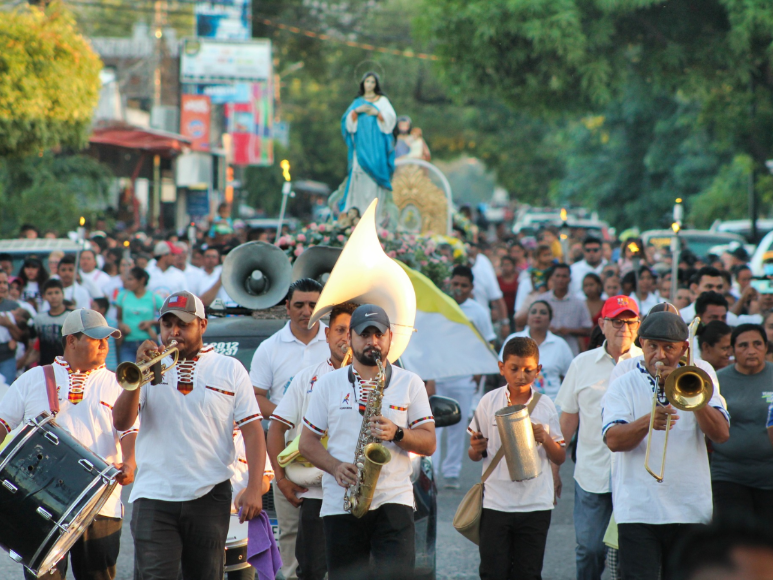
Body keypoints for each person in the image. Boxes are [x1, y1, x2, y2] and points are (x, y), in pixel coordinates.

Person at [112, 290, 266, 580]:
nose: (174, 332)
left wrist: (255, 486)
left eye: (184, 324)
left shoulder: (229, 368)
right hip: (154, 495)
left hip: (209, 495)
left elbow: (253, 431)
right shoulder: (150, 365)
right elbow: (121, 421)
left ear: (203, 326)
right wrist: (138, 375)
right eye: (167, 325)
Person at [299, 304, 436, 580]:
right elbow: (307, 443)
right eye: (364, 334)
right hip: (343, 502)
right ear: (350, 337)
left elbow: (429, 442)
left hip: (393, 500)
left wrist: (398, 433)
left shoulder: (410, 383)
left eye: (379, 334)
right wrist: (335, 466)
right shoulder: (328, 384)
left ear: (389, 338)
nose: (372, 341)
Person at [0, 308, 137, 580]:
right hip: (39, 504)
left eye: (106, 338)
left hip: (101, 505)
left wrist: (130, 462)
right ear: (71, 340)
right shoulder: (32, 379)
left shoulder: (116, 383)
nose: (104, 345)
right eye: (96, 338)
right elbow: (3, 423)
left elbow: (129, 430)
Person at [602, 311, 729, 580]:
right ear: (642, 344)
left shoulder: (700, 376)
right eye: (652, 346)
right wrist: (646, 423)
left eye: (669, 347)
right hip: (638, 510)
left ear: (684, 348)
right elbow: (613, 440)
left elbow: (720, 434)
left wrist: (693, 398)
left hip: (690, 508)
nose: (660, 355)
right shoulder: (623, 382)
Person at [554, 295, 642, 580]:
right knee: (590, 549)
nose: (623, 328)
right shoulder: (582, 363)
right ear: (602, 325)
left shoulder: (647, 363)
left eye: (629, 322)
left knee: (631, 554)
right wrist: (554, 468)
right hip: (592, 473)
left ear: (638, 326)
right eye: (617, 321)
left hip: (636, 474)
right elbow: (567, 419)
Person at [268, 302, 357, 580]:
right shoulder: (307, 378)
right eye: (340, 330)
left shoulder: (374, 380)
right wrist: (281, 479)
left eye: (353, 331)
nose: (346, 337)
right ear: (328, 334)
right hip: (315, 492)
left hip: (357, 494)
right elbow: (276, 428)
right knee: (311, 569)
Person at [250, 278, 329, 580]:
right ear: (287, 307)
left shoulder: (337, 342)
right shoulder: (270, 348)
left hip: (330, 454)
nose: (306, 311)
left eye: (313, 305)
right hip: (286, 452)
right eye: (299, 305)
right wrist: (290, 416)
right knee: (292, 534)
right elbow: (254, 397)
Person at [469, 337, 565, 580]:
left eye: (528, 370)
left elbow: (560, 456)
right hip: (496, 503)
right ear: (502, 368)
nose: (521, 375)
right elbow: (473, 454)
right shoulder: (488, 401)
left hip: (536, 504)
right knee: (493, 572)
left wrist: (545, 437)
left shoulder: (545, 406)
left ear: (538, 370)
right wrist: (476, 447)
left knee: (529, 573)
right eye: (514, 368)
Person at [434, 266, 496, 489]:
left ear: (472, 288)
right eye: (456, 284)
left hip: (464, 378)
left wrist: (479, 371)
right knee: (433, 425)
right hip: (439, 375)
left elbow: (487, 341)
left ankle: (451, 473)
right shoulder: (441, 304)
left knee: (456, 427)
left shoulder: (478, 311)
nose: (458, 289)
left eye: (464, 286)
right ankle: (431, 472)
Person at [711, 324, 773, 522]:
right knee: (734, 540)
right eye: (743, 345)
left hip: (769, 477)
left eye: (757, 344)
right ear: (733, 350)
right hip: (728, 475)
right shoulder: (718, 380)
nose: (751, 350)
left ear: (766, 347)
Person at [339, 72, 397, 217]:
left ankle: (375, 216)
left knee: (374, 180)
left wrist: (377, 113)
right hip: (361, 147)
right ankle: (356, 215)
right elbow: (347, 123)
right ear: (362, 83)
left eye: (372, 82)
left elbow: (390, 120)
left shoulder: (382, 101)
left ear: (376, 84)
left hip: (376, 146)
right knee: (359, 177)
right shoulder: (357, 102)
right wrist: (355, 112)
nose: (369, 85)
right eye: (367, 81)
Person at [500, 300, 573, 400]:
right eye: (533, 312)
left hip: (552, 406)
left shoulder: (560, 344)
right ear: (528, 317)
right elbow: (503, 372)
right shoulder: (513, 340)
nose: (537, 316)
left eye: (543, 313)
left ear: (550, 318)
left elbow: (569, 378)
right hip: (518, 405)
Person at [532, 264, 593, 356]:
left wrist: (570, 331)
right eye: (557, 276)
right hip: (546, 351)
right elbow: (531, 325)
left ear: (570, 279)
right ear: (552, 278)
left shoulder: (578, 302)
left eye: (564, 276)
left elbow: (588, 329)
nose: (560, 279)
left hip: (571, 351)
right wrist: (546, 329)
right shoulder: (542, 300)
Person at [115, 267, 162, 364]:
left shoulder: (154, 298)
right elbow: (118, 318)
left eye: (131, 279)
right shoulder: (122, 296)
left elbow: (166, 319)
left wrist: (150, 323)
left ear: (142, 280)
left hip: (148, 342)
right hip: (128, 342)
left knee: (149, 373)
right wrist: (122, 326)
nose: (127, 282)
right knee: (128, 372)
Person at [30, 279, 68, 365]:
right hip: (45, 365)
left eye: (57, 292)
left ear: (63, 294)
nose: (53, 296)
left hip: (67, 366)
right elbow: (34, 346)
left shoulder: (71, 316)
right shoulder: (39, 319)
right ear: (44, 296)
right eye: (50, 293)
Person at [0, 271, 22, 385]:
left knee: (5, 394)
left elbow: (21, 336)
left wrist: (9, 324)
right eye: (0, 283)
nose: (3, 286)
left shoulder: (13, 306)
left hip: (7, 358)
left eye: (4, 283)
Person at [497, 255, 519, 327]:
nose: (505, 267)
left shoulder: (518, 279)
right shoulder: (497, 280)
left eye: (508, 265)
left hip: (515, 312)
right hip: (501, 314)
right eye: (503, 265)